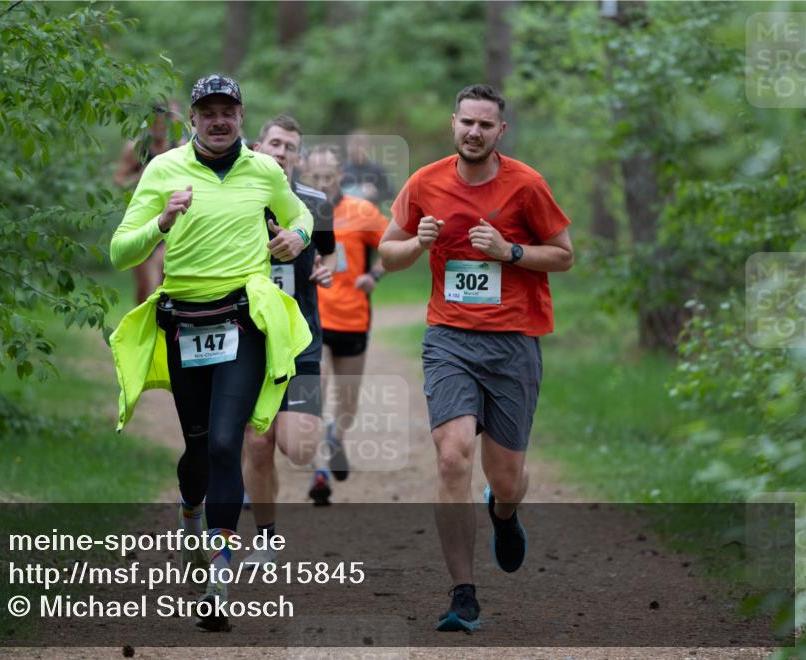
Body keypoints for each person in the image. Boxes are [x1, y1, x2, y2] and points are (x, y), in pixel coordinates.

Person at [108, 75, 314, 631]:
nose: (219, 119)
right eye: (208, 111)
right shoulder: (163, 169)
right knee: (197, 447)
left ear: (242, 115)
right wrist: (161, 221)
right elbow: (121, 251)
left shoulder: (264, 170)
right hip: (185, 321)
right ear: (193, 119)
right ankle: (190, 515)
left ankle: (218, 572)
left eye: (228, 110)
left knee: (228, 441)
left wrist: (296, 237)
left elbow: (300, 215)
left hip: (242, 317)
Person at [378, 84, 574, 632]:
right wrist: (417, 243)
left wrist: (509, 252)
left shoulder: (527, 185)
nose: (474, 132)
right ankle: (463, 594)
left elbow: (564, 255)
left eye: (485, 125)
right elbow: (388, 254)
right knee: (452, 456)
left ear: (500, 132)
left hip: (513, 341)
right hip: (450, 339)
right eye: (467, 122)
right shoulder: (425, 182)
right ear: (453, 124)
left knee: (506, 478)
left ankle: (504, 511)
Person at [241, 115, 336, 566]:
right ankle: (265, 537)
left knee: (295, 447)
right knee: (257, 444)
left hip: (303, 340)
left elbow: (330, 251)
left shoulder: (315, 203)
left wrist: (327, 268)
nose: (281, 153)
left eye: (290, 147)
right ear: (257, 147)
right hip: (249, 337)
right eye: (275, 144)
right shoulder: (236, 200)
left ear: (299, 156)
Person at [305, 145, 390, 504]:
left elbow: (393, 246)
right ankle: (318, 471)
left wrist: (374, 274)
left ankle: (335, 436)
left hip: (353, 316)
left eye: (329, 177)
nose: (323, 184)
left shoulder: (362, 211)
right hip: (314, 317)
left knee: (348, 404)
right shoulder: (296, 210)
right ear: (305, 176)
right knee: (316, 388)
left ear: (341, 176)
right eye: (316, 177)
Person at [112, 100, 187, 304]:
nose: (160, 128)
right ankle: (139, 326)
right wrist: (138, 178)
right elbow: (118, 180)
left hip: (171, 221)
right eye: (156, 124)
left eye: (164, 123)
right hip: (143, 220)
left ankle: (160, 326)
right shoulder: (137, 147)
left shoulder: (178, 148)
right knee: (145, 285)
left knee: (163, 281)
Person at [342, 129, 393, 206]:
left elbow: (390, 195)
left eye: (361, 144)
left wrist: (375, 194)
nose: (356, 148)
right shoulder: (341, 169)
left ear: (369, 146)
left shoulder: (378, 170)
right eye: (353, 144)